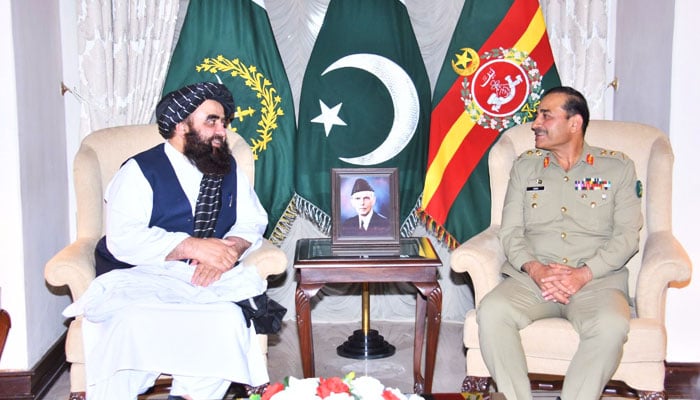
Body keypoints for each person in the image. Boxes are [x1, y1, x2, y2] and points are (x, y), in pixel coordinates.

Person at [63, 82, 277, 400]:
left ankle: (192, 395)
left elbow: (251, 220)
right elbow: (124, 238)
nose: (223, 130)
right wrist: (192, 246)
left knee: (227, 320)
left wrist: (227, 252)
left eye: (223, 122)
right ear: (180, 125)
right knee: (130, 323)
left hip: (207, 279)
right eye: (212, 121)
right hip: (140, 275)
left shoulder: (226, 166)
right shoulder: (139, 171)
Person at [476, 86, 643, 400]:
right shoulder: (525, 167)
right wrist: (537, 270)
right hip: (533, 278)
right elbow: (510, 231)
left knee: (611, 325)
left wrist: (582, 274)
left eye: (545, 116)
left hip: (597, 281)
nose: (536, 123)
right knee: (492, 311)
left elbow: (627, 236)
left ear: (574, 124)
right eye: (538, 115)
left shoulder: (617, 168)